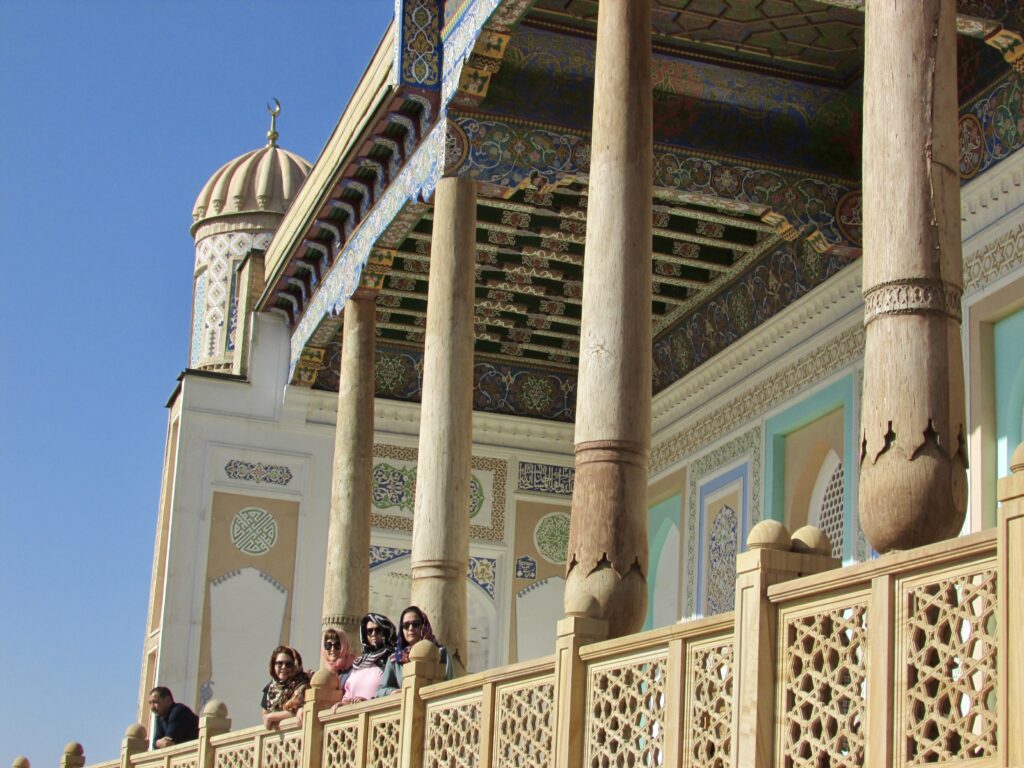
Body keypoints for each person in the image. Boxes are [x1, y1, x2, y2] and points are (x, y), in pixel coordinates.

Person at [376, 606, 454, 696]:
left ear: (423, 625)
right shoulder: (395, 659)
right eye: (406, 625)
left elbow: (450, 683)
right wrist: (392, 692)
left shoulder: (441, 652)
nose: (410, 628)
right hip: (406, 707)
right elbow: (380, 691)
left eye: (415, 624)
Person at [338, 612, 397, 704]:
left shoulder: (393, 658)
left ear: (386, 631)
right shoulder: (359, 663)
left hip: (379, 714)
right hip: (354, 715)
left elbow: (393, 690)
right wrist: (343, 703)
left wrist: (368, 702)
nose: (373, 634)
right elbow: (348, 694)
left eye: (378, 630)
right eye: (369, 631)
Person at [261, 645, 310, 730]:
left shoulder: (302, 684)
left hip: (296, 734)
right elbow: (265, 715)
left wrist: (272, 717)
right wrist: (269, 717)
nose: (283, 667)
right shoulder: (270, 689)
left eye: (288, 664)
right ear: (273, 665)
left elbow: (296, 712)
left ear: (295, 666)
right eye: (279, 663)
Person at [321, 625, 355, 690]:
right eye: (328, 645)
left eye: (337, 645)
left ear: (345, 646)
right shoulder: (326, 672)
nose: (332, 649)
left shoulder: (353, 671)